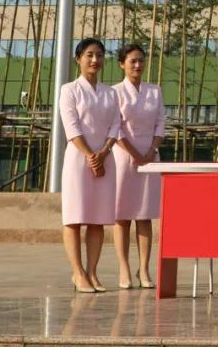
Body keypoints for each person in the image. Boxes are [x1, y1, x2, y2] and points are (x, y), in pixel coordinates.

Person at [60, 38, 122, 293]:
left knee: (98, 219)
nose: (95, 60)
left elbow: (116, 125)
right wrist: (89, 156)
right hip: (78, 160)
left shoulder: (111, 93)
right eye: (89, 55)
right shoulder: (69, 90)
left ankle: (92, 271)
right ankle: (78, 273)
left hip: (106, 160)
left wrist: (103, 153)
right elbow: (71, 126)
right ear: (78, 59)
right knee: (75, 217)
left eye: (99, 55)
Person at [112, 43, 164, 290]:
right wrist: (134, 153)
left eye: (141, 60)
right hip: (123, 157)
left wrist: (151, 151)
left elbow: (160, 123)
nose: (138, 65)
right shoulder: (115, 92)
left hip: (150, 157)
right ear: (122, 64)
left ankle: (144, 269)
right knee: (122, 216)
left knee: (144, 215)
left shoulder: (155, 91)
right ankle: (124, 268)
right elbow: (115, 128)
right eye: (132, 61)